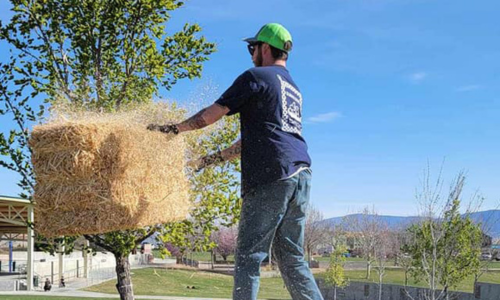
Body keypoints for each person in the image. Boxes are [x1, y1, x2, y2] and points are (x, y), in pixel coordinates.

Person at [148, 23, 323, 300]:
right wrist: (209, 160)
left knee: (248, 256)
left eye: (252, 47)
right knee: (291, 256)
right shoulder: (292, 88)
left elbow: (211, 115)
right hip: (300, 175)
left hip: (271, 177)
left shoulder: (256, 76)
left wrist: (174, 129)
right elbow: (255, 141)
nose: (251, 53)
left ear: (265, 48)